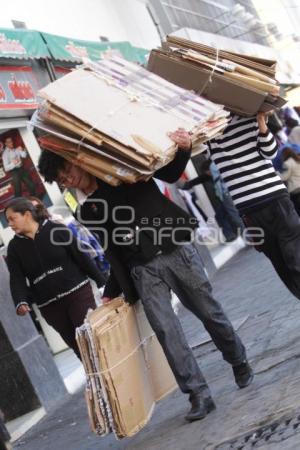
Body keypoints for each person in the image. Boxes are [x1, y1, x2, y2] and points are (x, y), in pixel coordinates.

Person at [38, 128, 253, 423]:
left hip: (175, 249)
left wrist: (184, 149)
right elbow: (110, 247)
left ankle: (238, 360)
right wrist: (112, 288)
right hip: (141, 268)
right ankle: (198, 394)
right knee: (166, 331)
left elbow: (168, 173)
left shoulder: (116, 170)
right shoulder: (82, 206)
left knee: (208, 312)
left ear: (75, 160)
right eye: (61, 180)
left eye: (65, 172)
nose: (67, 180)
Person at [208, 112, 300, 301]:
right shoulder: (207, 130)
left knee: (296, 257)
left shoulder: (248, 114)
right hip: (248, 209)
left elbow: (271, 152)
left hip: (276, 198)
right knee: (280, 264)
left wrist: (261, 122)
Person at [5, 197, 105, 359]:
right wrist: (20, 301)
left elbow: (82, 258)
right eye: (7, 220)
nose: (9, 224)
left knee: (91, 342)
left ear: (27, 215)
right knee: (78, 348)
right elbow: (16, 279)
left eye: (12, 218)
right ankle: (98, 382)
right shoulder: (14, 248)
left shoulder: (56, 230)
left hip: (78, 295)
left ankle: (113, 377)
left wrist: (102, 283)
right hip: (50, 308)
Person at [182, 159, 244, 242]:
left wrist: (186, 185)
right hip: (224, 198)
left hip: (227, 196)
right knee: (220, 215)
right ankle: (231, 236)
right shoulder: (210, 174)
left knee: (235, 216)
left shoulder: (217, 170)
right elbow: (200, 179)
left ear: (209, 169)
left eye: (207, 172)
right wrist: (187, 185)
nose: (207, 174)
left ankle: (248, 236)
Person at [280, 147, 300, 215]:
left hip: (295, 190)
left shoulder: (287, 163)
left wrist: (277, 174)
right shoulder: (298, 160)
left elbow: (285, 177)